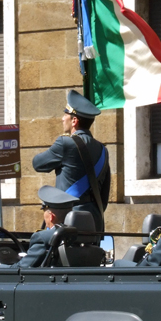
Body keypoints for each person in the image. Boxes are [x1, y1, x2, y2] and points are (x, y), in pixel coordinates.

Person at [32, 89, 111, 233]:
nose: (62, 119)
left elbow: (37, 164)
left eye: (65, 115)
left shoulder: (65, 143)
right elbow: (104, 192)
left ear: (74, 120)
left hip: (68, 218)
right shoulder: (103, 149)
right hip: (94, 219)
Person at [16, 186, 79, 268]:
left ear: (51, 216)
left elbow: (22, 268)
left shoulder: (43, 238)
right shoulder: (86, 236)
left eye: (44, 212)